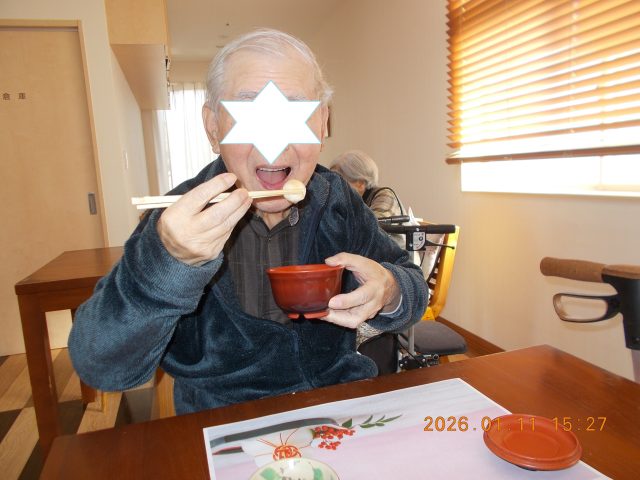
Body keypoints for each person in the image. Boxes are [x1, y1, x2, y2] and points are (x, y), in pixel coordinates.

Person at [68, 28, 427, 414]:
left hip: (335, 405)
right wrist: (169, 264)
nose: (274, 144)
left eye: (295, 113)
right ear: (213, 127)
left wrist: (391, 289)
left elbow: (413, 291)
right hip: (219, 418)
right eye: (250, 114)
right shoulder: (179, 219)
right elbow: (102, 367)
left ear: (322, 123)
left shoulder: (336, 198)